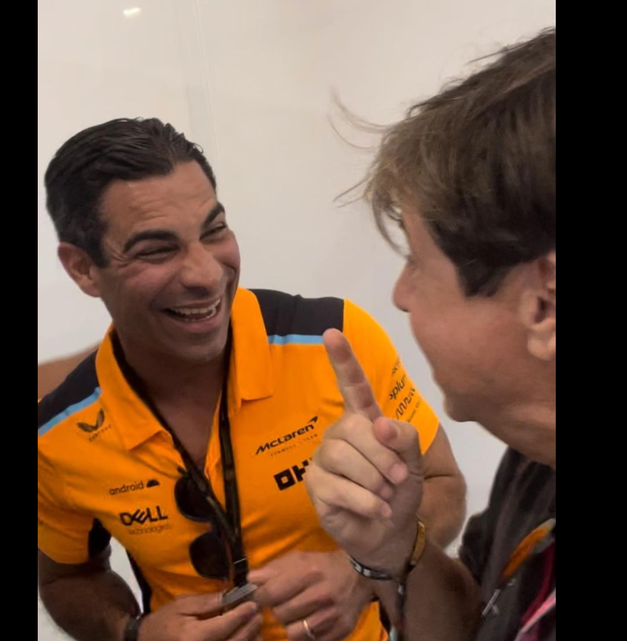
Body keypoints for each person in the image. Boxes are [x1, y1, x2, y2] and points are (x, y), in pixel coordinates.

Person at [36, 117, 467, 641]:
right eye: (156, 249)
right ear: (83, 268)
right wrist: (132, 633)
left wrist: (365, 569)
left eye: (214, 231)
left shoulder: (336, 339)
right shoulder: (57, 432)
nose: (206, 274)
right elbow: (67, 576)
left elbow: (444, 485)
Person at [304, 28, 557, 641]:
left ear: (544, 304)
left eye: (418, 259)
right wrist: (394, 551)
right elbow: (479, 622)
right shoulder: (536, 461)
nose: (400, 293)